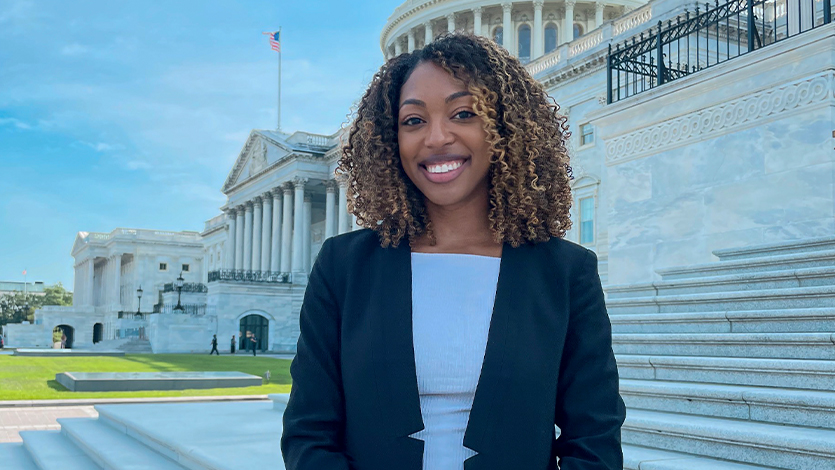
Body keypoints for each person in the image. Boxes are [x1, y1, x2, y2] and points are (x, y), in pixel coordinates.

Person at [281, 33, 625, 470]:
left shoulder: (565, 272)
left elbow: (594, 437)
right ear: (390, 140)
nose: (436, 137)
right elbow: (309, 432)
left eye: (463, 113)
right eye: (413, 121)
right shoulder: (343, 265)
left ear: (504, 127)